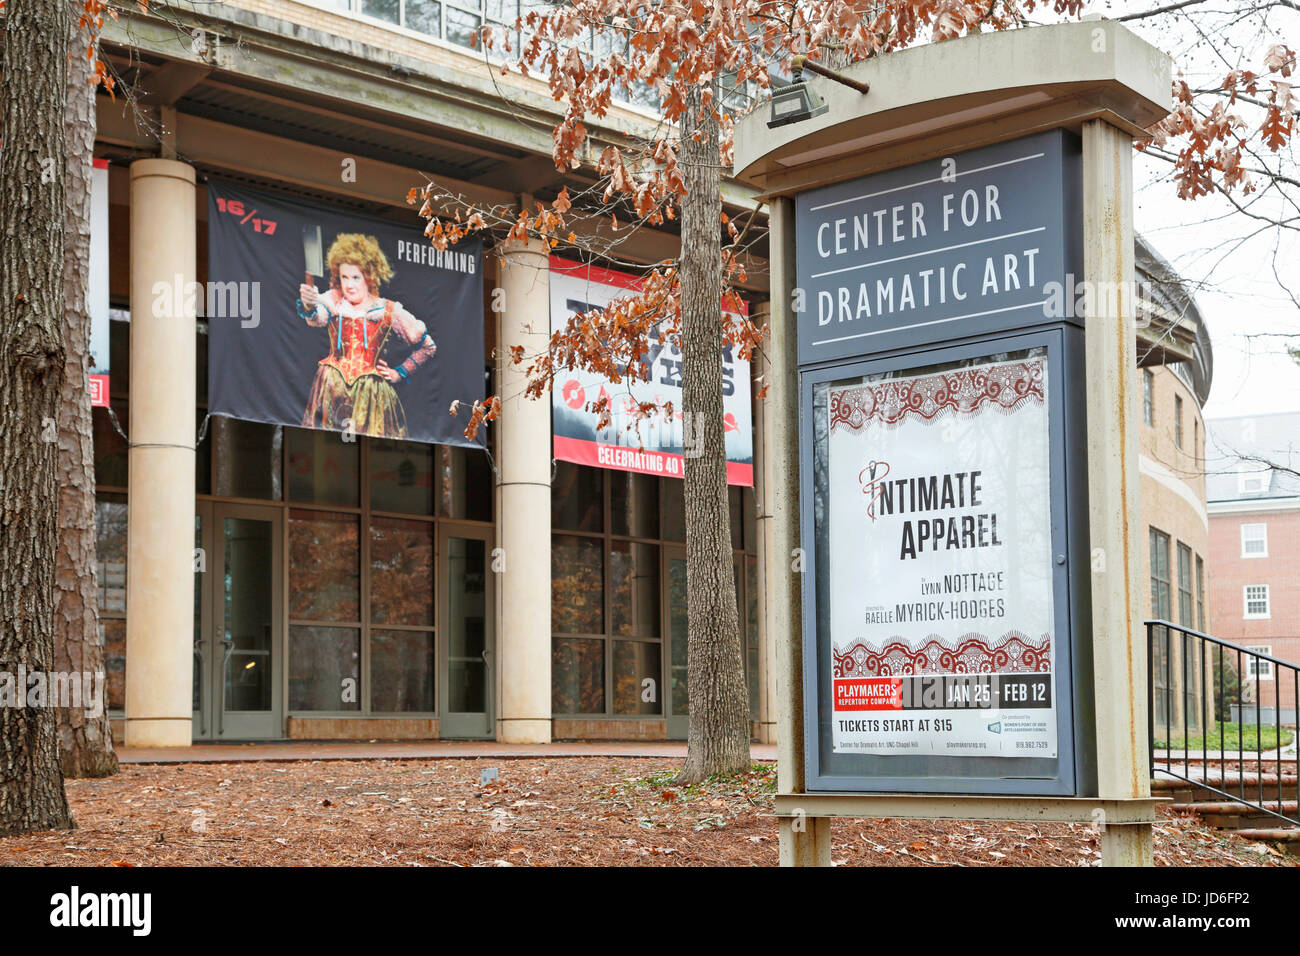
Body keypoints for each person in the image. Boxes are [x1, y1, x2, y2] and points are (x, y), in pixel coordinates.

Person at [296, 233, 436, 438]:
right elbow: (317, 317)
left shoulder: (388, 310)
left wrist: (400, 372)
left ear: (369, 277)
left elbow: (428, 346)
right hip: (331, 388)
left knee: (371, 448)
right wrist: (309, 303)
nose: (349, 285)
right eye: (344, 277)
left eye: (356, 277)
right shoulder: (334, 300)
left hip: (372, 396)